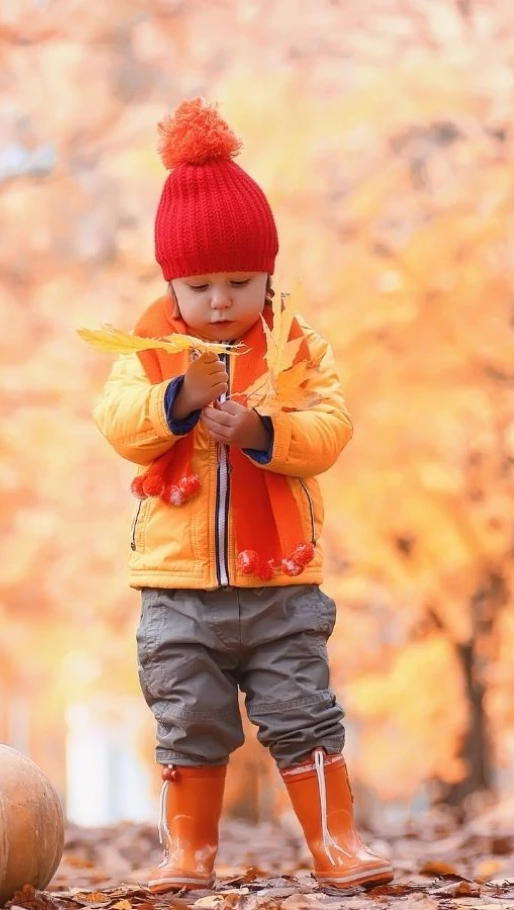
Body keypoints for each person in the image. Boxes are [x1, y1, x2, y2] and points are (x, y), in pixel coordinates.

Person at [90, 98, 393, 892]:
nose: (220, 301)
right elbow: (119, 425)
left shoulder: (297, 349)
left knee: (302, 713)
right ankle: (189, 854)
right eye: (200, 284)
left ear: (269, 277)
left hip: (280, 581)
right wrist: (177, 403)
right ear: (171, 285)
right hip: (178, 589)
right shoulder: (150, 354)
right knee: (188, 718)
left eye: (240, 282)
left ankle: (337, 846)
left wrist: (261, 429)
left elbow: (330, 428)